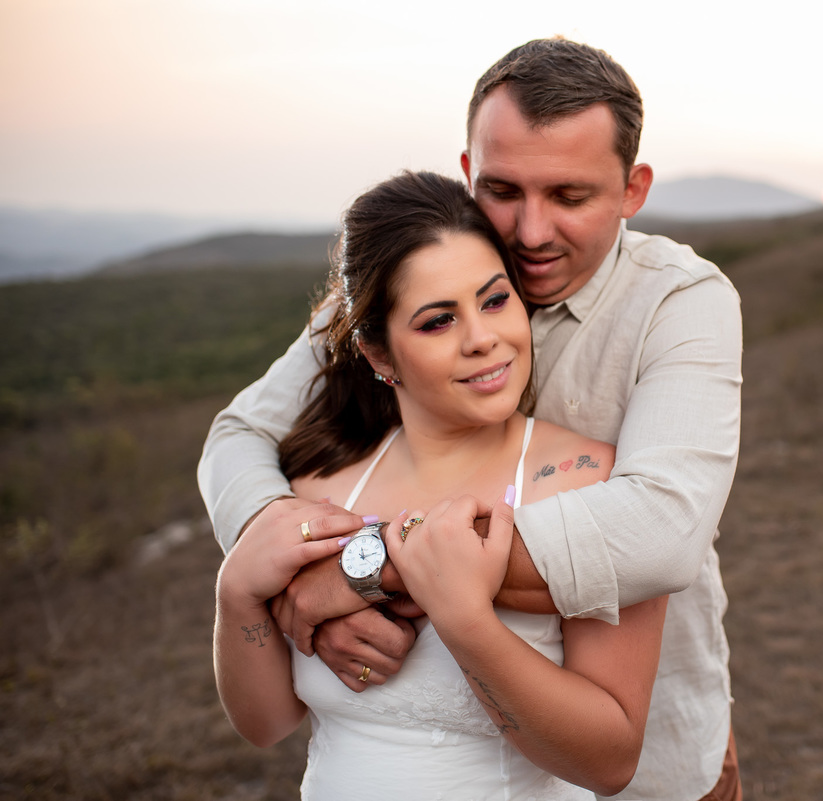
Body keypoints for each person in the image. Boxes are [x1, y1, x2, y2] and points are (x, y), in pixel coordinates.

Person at [199, 38, 743, 800]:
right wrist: (285, 564)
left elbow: (664, 528)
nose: (528, 231)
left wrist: (367, 566)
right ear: (467, 173)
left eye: (570, 195)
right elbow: (239, 436)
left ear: (632, 188)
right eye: (503, 190)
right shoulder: (416, 271)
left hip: (653, 750)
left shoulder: (682, 302)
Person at [215, 170, 668, 798]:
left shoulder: (594, 482)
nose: (483, 340)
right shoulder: (317, 491)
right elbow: (266, 725)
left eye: (494, 300)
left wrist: (467, 622)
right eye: (436, 322)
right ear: (378, 355)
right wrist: (236, 593)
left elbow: (610, 761)